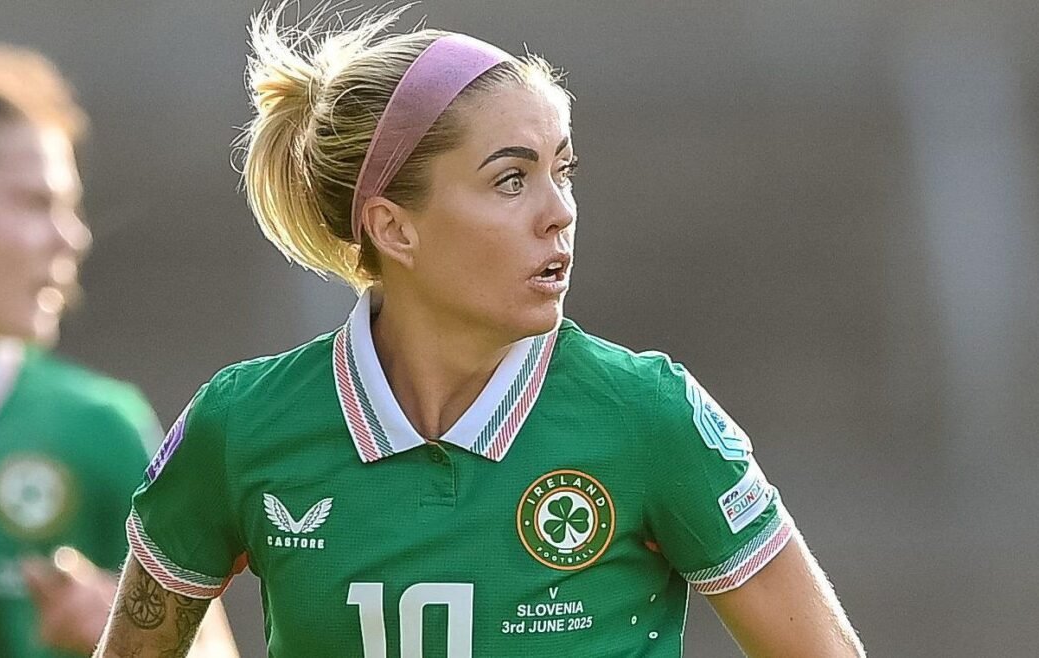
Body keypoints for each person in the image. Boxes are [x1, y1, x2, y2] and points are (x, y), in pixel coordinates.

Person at [97, 4, 867, 657]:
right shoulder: (241, 426)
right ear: (394, 229)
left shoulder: (647, 415)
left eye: (563, 170)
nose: (558, 211)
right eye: (510, 179)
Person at [0, 45, 237, 657]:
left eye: (70, 209)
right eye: (33, 203)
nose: (72, 238)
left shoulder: (97, 432)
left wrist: (137, 640)